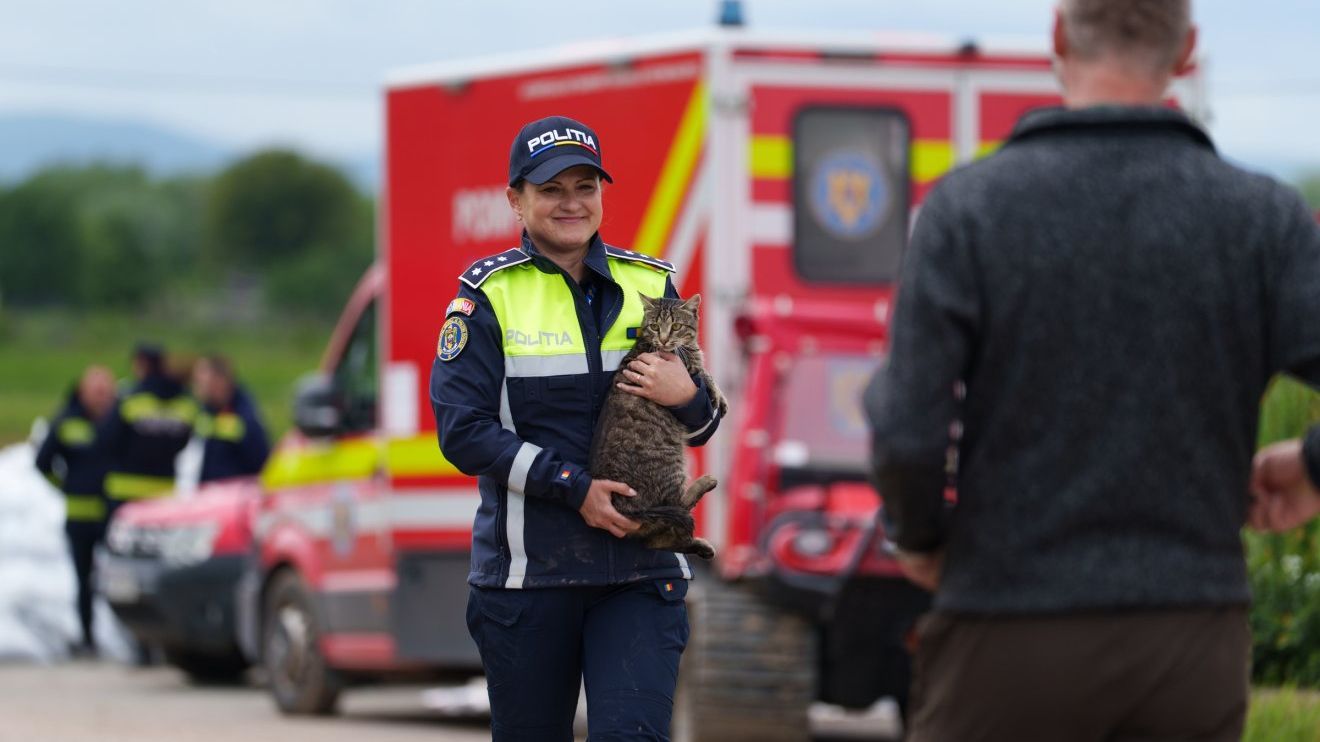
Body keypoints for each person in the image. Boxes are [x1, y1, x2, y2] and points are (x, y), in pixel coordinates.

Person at [865, 1, 1320, 739]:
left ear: (1057, 38)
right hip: (1192, 639)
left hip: (1005, 630)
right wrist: (1311, 466)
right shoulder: (1263, 218)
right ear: (1187, 52)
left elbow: (909, 428)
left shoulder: (967, 210)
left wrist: (918, 536)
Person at [429, 115, 725, 741]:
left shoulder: (652, 283)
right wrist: (574, 486)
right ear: (517, 199)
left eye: (585, 186)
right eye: (551, 188)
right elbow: (462, 433)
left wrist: (689, 397)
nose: (572, 203)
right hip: (528, 580)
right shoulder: (486, 297)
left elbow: (700, 427)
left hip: (641, 572)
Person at [35, 365, 117, 656]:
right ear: (83, 392)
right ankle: (87, 638)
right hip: (80, 516)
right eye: (96, 391)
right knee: (84, 581)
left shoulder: (118, 422)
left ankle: (129, 641)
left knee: (120, 580)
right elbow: (43, 462)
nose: (101, 397)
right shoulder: (67, 421)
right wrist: (65, 486)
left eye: (106, 392)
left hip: (112, 516)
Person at [99, 343, 199, 513]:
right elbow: (185, 442)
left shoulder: (130, 399)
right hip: (163, 491)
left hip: (124, 492)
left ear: (142, 364)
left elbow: (106, 439)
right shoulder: (186, 402)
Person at [191, 354, 270, 483]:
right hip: (207, 494)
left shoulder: (246, 417)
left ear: (220, 381)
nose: (196, 386)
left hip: (236, 495)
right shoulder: (204, 411)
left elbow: (261, 462)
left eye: (201, 381)